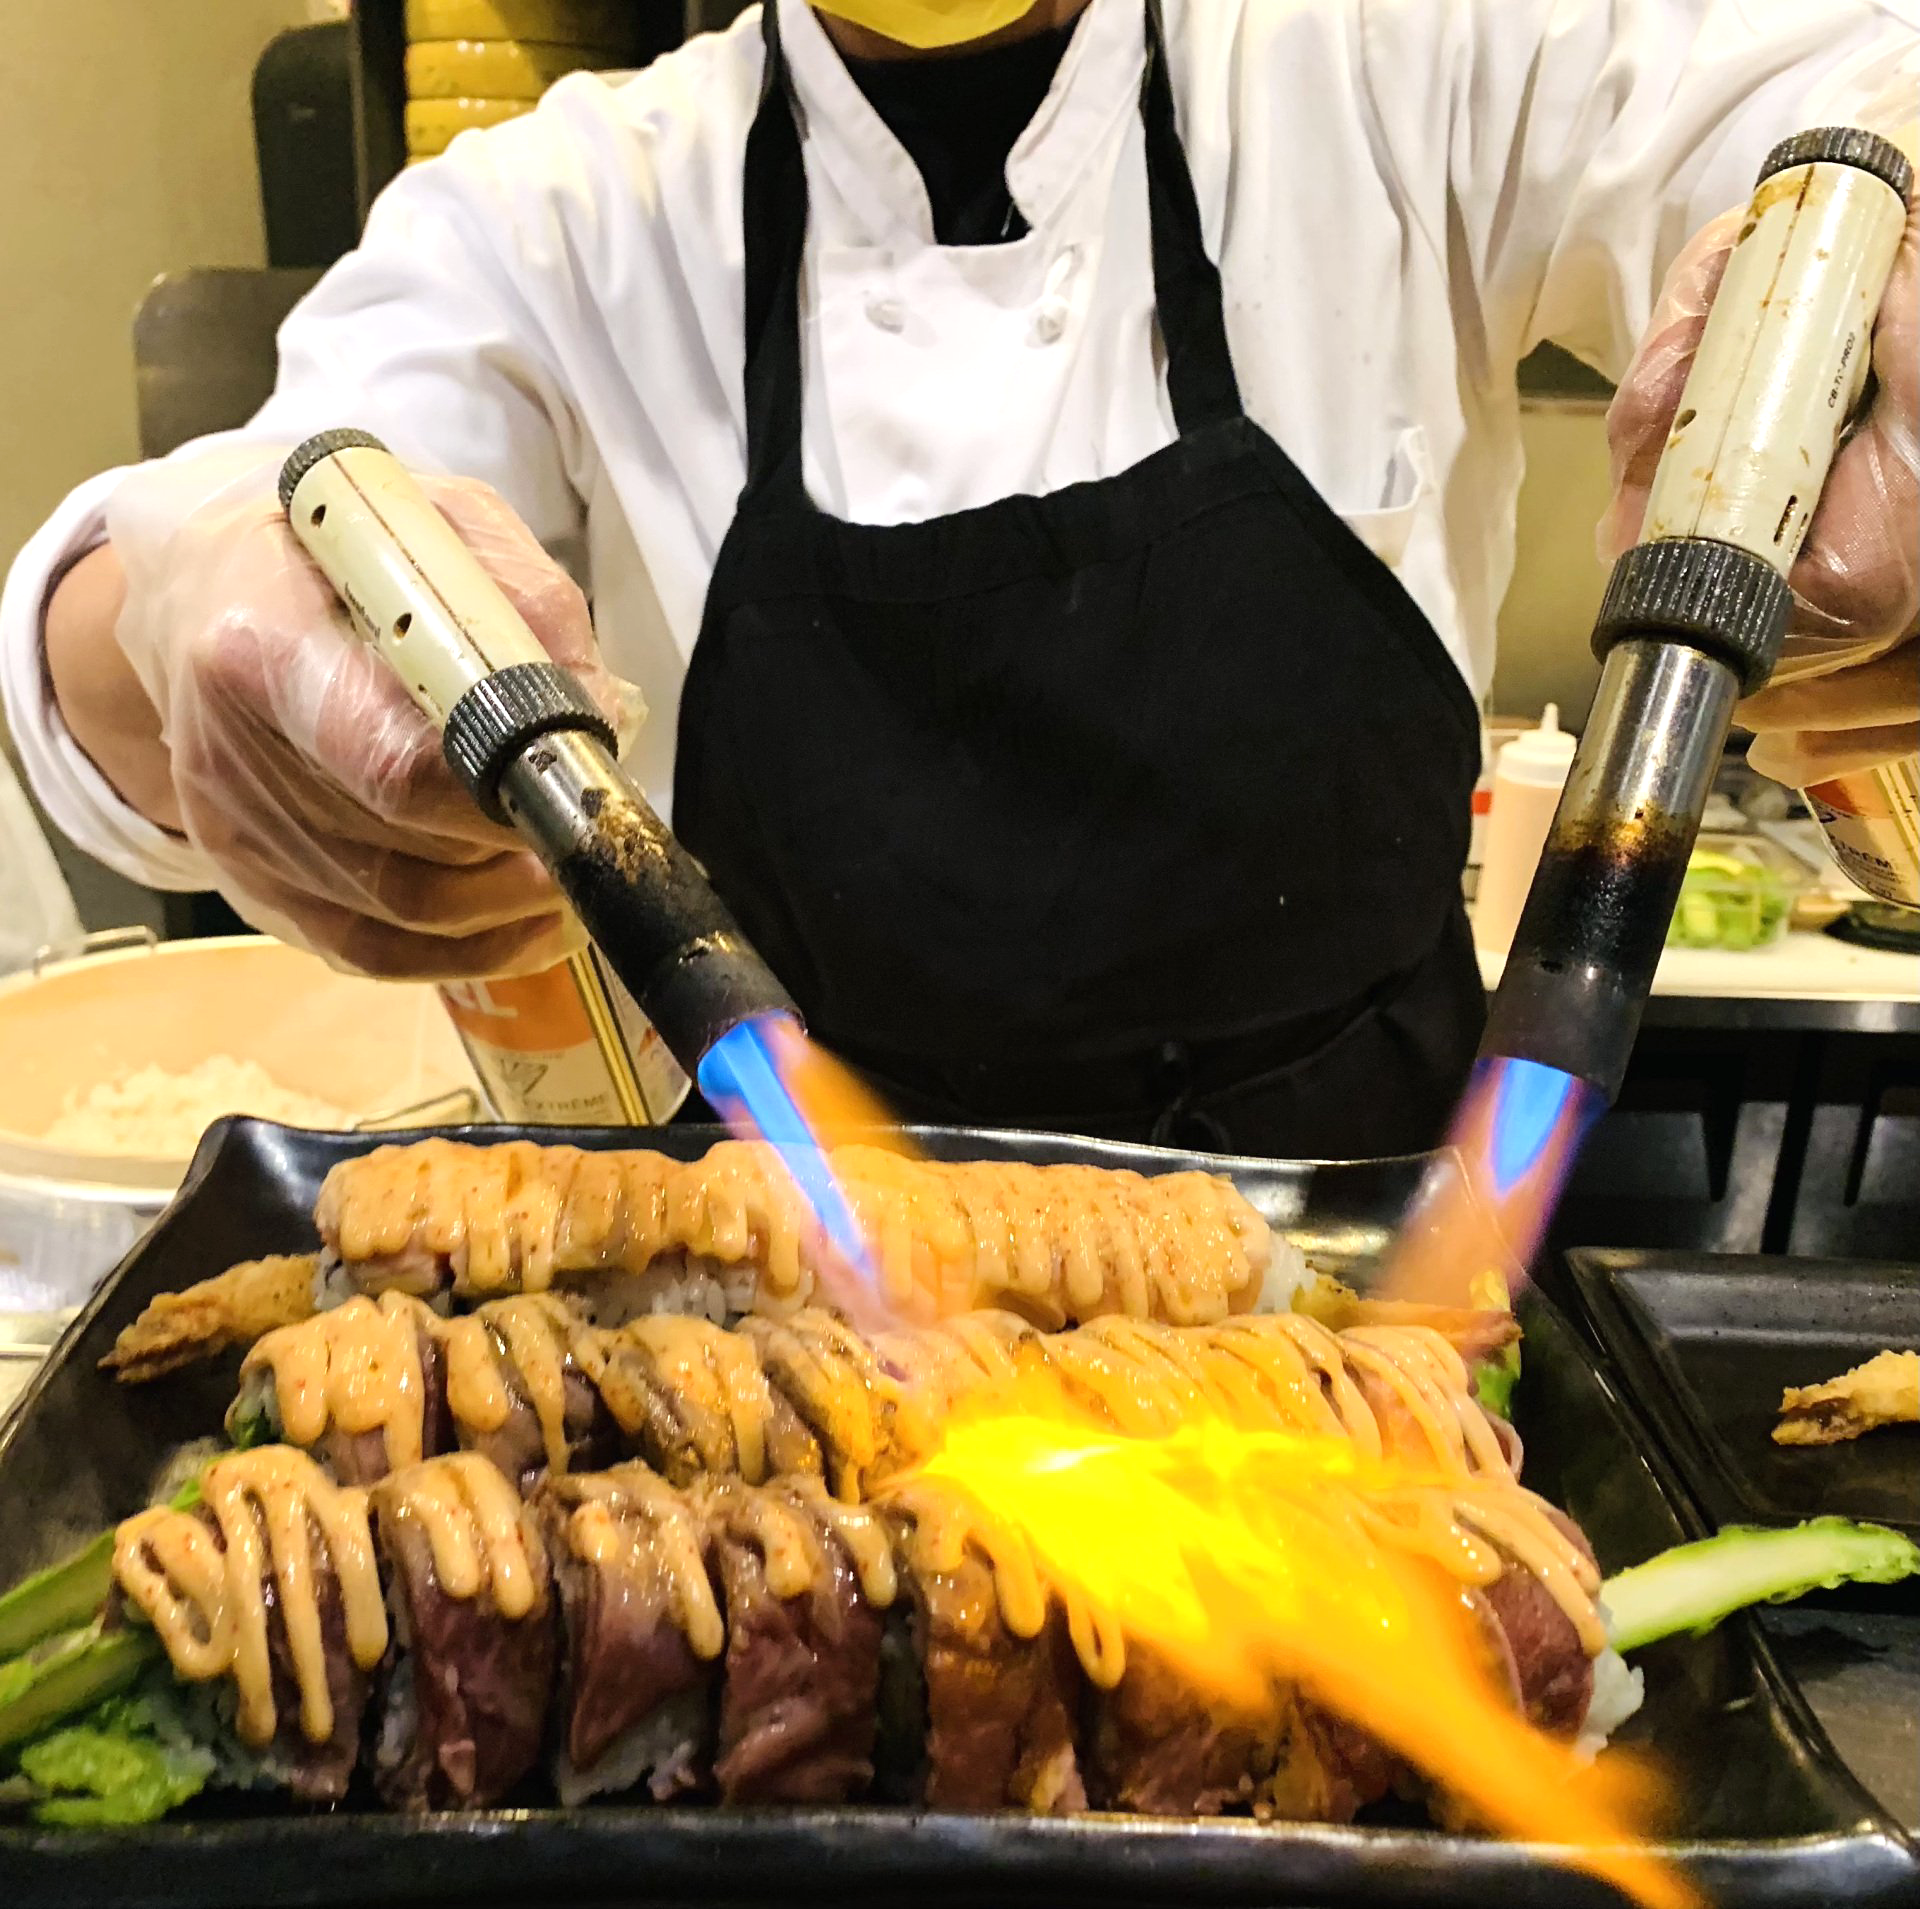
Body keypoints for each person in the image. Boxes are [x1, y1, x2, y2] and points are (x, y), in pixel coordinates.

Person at [4, 0, 1916, 1157]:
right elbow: (244, 525)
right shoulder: (555, 215)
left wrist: (1877, 232)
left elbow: (1824, 76)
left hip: (1384, 1292)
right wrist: (178, 599)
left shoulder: (1387, 59)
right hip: (797, 1350)